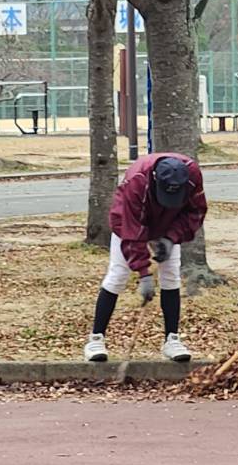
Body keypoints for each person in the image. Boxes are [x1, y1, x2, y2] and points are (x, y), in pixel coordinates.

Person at [84, 152, 206, 362]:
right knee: (118, 275)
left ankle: (172, 339)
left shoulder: (192, 175)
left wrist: (171, 239)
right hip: (127, 222)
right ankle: (95, 339)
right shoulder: (137, 180)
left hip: (168, 225)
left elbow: (195, 211)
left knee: (171, 277)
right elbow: (132, 232)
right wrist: (144, 274)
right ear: (156, 180)